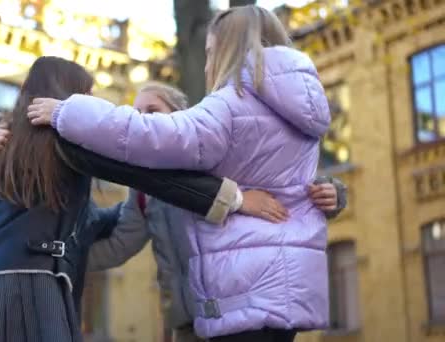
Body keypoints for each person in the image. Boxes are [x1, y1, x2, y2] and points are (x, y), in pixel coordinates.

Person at [28, 5, 333, 341]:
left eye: (210, 53)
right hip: (287, 289)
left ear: (228, 50)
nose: (206, 64)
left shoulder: (232, 104)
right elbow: (303, 190)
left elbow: (150, 136)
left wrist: (68, 112)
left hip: (244, 288)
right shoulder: (300, 113)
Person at [0, 56, 288, 342]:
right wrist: (236, 199)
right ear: (68, 95)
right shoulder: (66, 138)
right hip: (31, 289)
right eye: (86, 96)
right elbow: (148, 176)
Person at [86, 83, 347, 342]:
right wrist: (61, 261)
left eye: (152, 110)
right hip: (185, 325)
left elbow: (283, 187)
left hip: (232, 317)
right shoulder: (142, 191)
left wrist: (332, 192)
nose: (143, 119)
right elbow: (121, 244)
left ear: (180, 116)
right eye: (137, 113)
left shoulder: (214, 160)